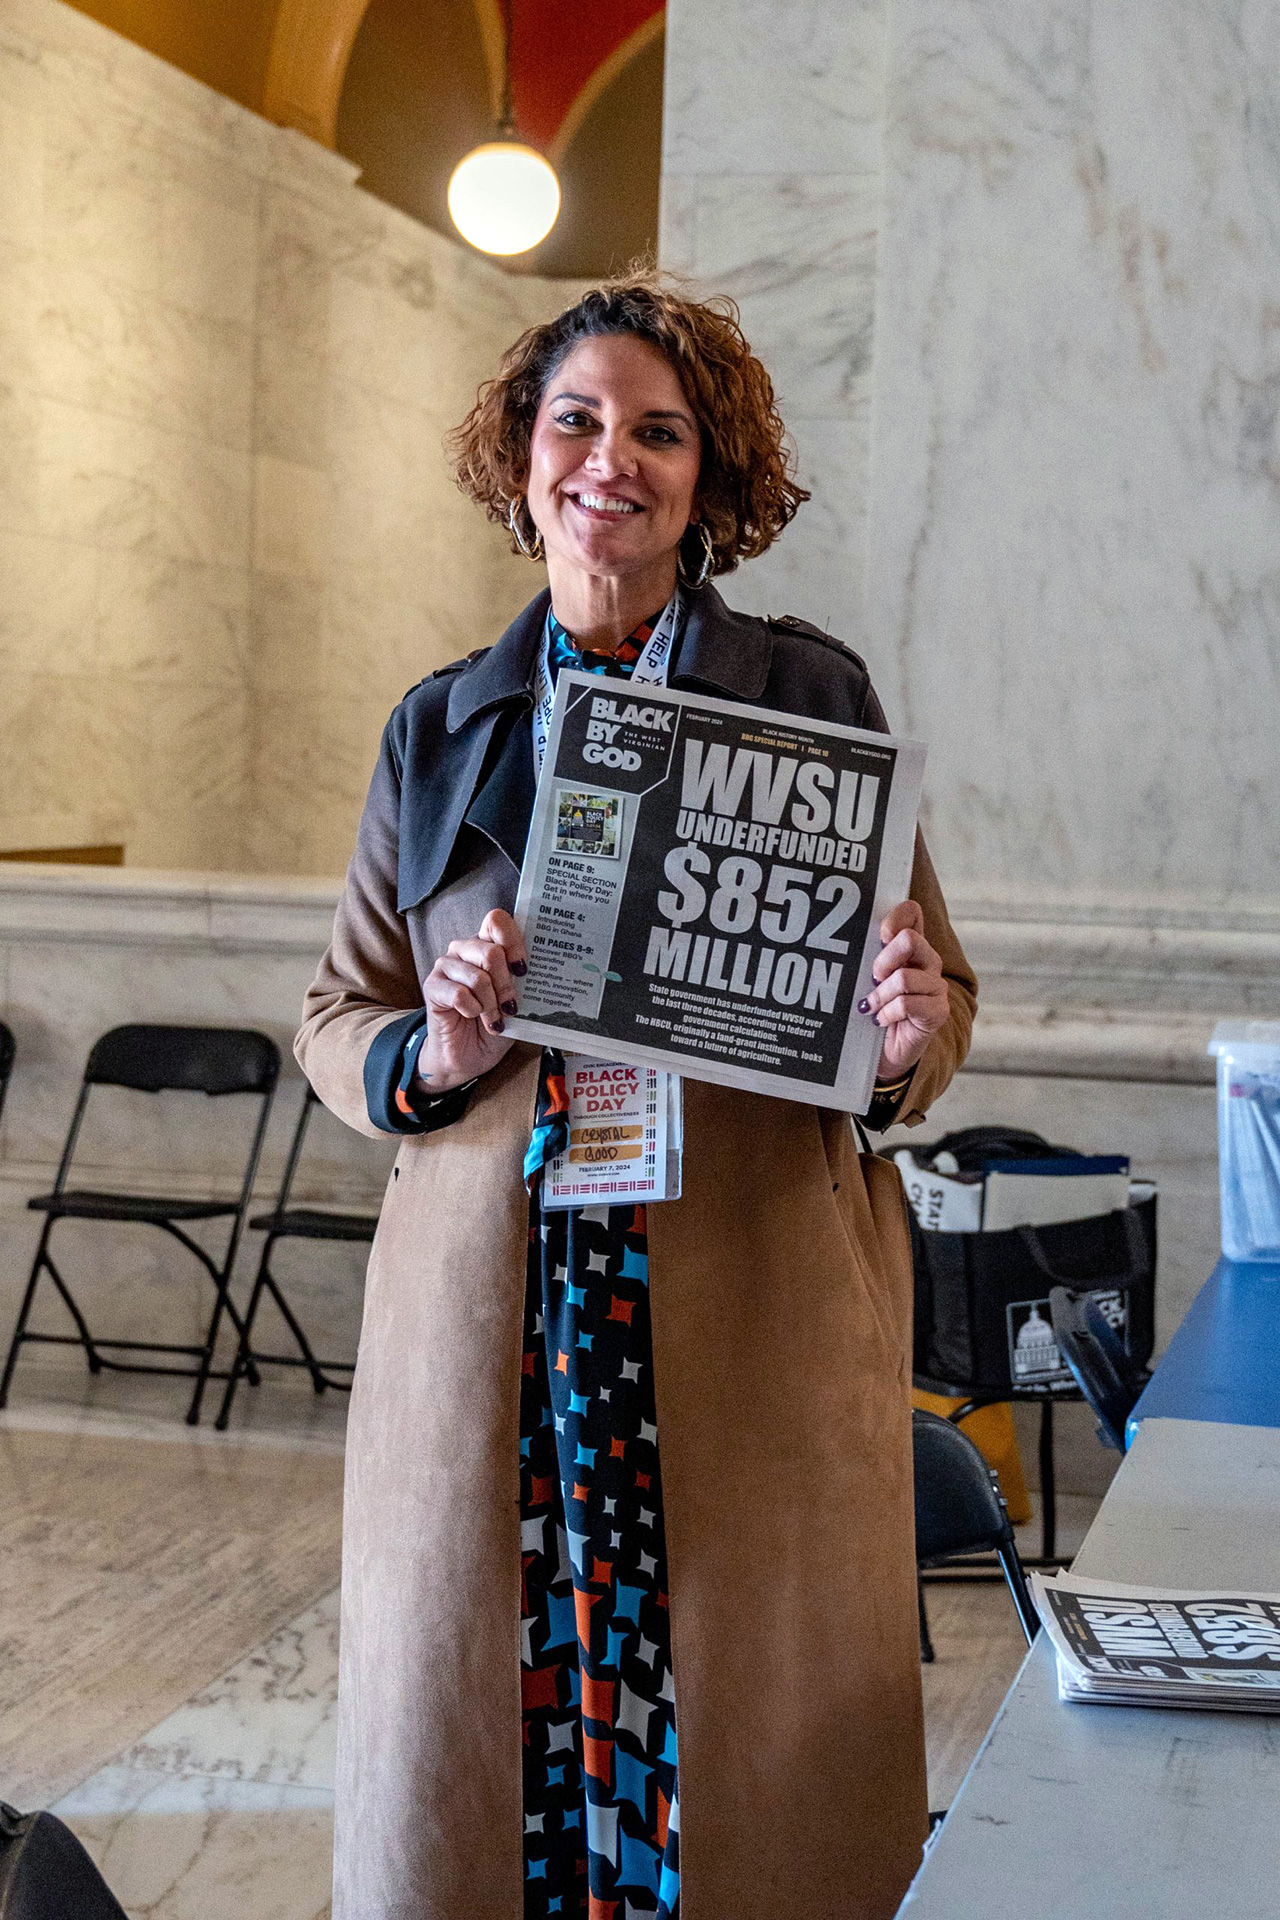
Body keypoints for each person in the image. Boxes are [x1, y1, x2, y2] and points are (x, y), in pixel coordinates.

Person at [297, 273, 977, 1920]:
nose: (615, 459)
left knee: (736, 1741)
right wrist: (429, 1055)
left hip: (745, 1295)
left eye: (659, 432)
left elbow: (936, 996)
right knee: (513, 1705)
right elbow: (338, 1013)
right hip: (504, 1307)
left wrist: (905, 1032)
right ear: (522, 458)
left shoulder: (811, 699)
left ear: (708, 475)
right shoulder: (439, 727)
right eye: (578, 420)